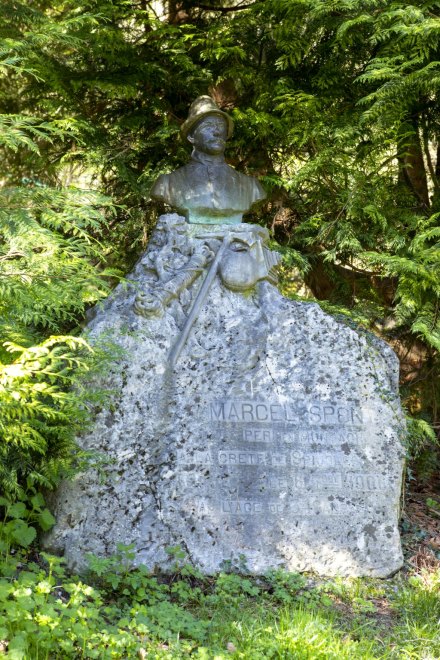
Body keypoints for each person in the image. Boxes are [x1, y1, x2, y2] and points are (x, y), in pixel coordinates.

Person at [151, 96, 266, 224]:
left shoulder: (250, 187)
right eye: (208, 125)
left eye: (221, 125)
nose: (217, 132)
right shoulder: (168, 183)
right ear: (191, 136)